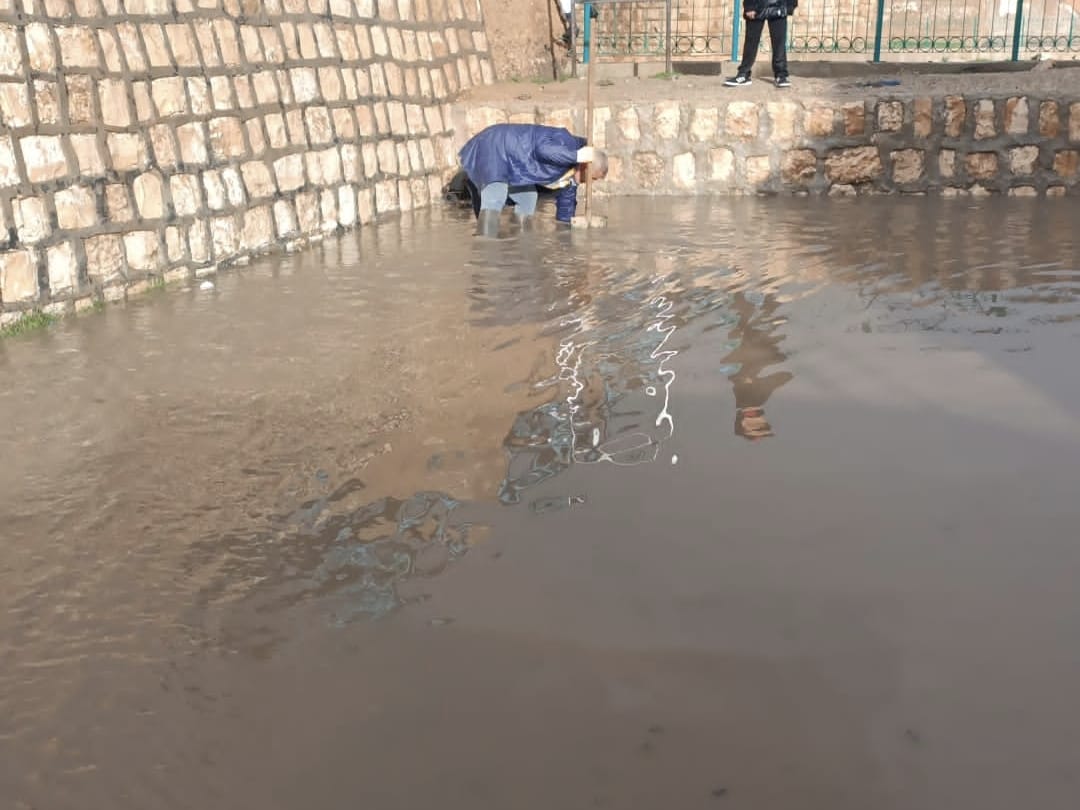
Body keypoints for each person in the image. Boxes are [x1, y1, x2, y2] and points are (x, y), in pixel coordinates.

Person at [458, 123, 608, 236]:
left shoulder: (570, 176)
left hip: (516, 165)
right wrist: (576, 156)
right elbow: (543, 150)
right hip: (495, 147)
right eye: (591, 178)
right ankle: (485, 250)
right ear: (585, 166)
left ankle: (519, 243)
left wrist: (566, 233)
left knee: (528, 198)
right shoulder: (566, 142)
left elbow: (566, 205)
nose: (588, 183)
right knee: (496, 194)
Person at [723, 0, 798, 88]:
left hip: (779, 5)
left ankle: (781, 75)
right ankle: (743, 74)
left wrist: (790, 5)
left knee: (779, 43)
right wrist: (749, 6)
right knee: (751, 42)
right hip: (756, 5)